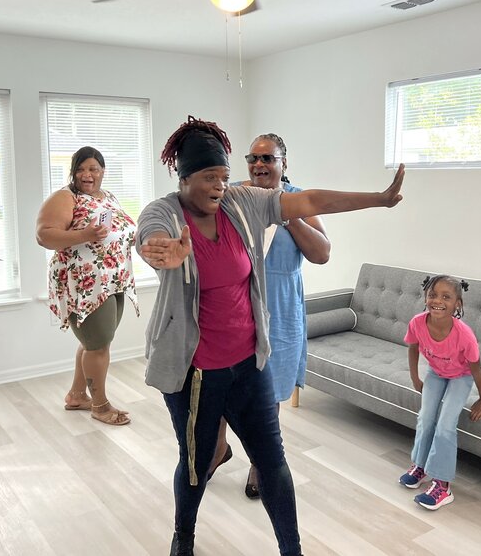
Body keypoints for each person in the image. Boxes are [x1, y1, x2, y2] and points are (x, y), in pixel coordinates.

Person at [136, 115, 405, 556]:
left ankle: (291, 549)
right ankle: (184, 536)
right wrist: (162, 253)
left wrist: (378, 199)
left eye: (223, 176)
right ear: (183, 177)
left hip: (249, 364)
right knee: (196, 465)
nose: (219, 186)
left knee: (273, 463)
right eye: (208, 178)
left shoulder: (243, 202)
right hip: (196, 374)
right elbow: (151, 239)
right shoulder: (164, 212)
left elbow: (310, 199)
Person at [211, 133, 330, 499]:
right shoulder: (233, 195)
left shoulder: (298, 199)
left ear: (283, 163)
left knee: (266, 395)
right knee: (224, 382)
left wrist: (285, 213)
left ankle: (260, 461)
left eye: (268, 158)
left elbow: (322, 253)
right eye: (254, 158)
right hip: (237, 301)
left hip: (279, 304)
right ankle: (217, 448)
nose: (260, 165)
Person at [36, 146, 137, 426]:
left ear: (103, 170)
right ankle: (100, 406)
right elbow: (44, 236)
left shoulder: (109, 197)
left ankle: (77, 395)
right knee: (98, 345)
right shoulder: (65, 197)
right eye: (80, 169)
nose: (86, 174)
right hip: (84, 283)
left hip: (113, 280)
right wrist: (86, 234)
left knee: (95, 342)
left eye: (93, 168)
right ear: (73, 171)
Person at [398, 275, 481, 510]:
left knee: (445, 424)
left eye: (446, 297)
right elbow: (413, 349)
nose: (438, 300)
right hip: (436, 374)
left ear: (457, 304)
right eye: (433, 295)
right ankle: (420, 466)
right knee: (425, 418)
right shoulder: (417, 323)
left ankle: (442, 484)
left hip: (461, 377)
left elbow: (476, 368)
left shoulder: (465, 335)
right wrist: (414, 377)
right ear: (426, 297)